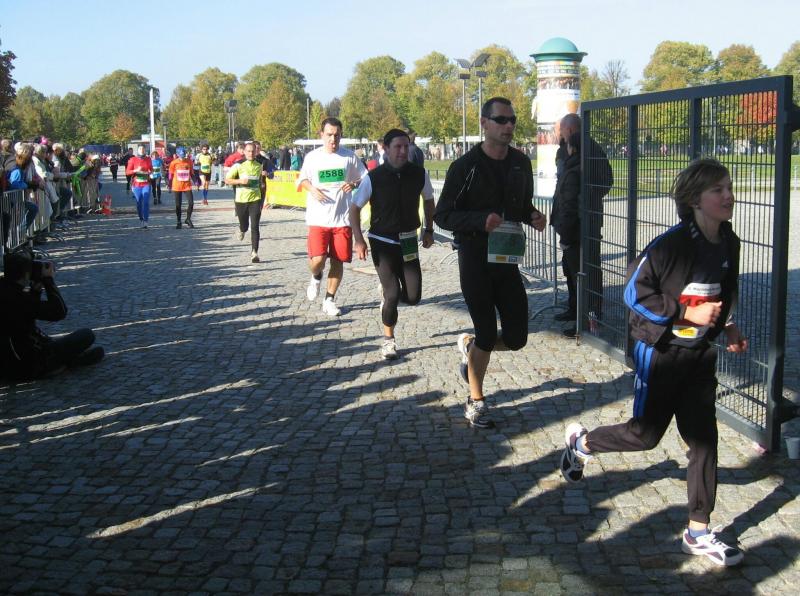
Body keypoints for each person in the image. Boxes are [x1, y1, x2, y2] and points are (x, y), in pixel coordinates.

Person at [560, 158, 747, 567]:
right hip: (660, 353)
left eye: (729, 187)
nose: (728, 196)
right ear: (695, 199)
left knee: (703, 441)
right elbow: (633, 292)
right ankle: (582, 444)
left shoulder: (728, 242)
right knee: (645, 436)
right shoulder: (669, 246)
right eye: (718, 190)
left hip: (700, 356)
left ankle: (698, 531)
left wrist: (728, 326)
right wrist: (684, 312)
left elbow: (724, 290)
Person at [434, 97, 546, 429]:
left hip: (507, 260)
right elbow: (443, 215)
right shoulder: (465, 166)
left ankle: (470, 350)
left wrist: (533, 216)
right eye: (501, 120)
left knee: (516, 337)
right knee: (485, 331)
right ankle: (476, 401)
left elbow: (521, 206)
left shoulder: (520, 163)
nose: (508, 126)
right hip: (475, 258)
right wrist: (479, 221)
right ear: (484, 123)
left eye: (512, 120)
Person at [350, 129, 435, 359]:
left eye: (406, 146)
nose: (403, 151)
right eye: (397, 147)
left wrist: (428, 229)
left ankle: (389, 297)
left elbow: (429, 200)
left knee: (413, 297)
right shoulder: (374, 177)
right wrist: (358, 239)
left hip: (408, 241)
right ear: (386, 149)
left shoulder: (419, 174)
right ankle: (389, 340)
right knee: (392, 294)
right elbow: (354, 209)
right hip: (382, 241)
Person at [550, 113, 613, 337]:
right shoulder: (574, 152)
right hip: (573, 222)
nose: (560, 135)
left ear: (569, 130)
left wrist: (587, 197)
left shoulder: (588, 152)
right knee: (571, 269)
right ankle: (575, 310)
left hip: (583, 223)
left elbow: (605, 182)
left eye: (561, 130)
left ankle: (588, 318)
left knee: (586, 271)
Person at [297, 117, 367, 316]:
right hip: (318, 218)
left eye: (337, 135)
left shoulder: (349, 157)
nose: (333, 139)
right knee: (318, 260)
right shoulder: (313, 157)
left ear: (341, 136)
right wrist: (312, 189)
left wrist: (353, 184)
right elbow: (302, 179)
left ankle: (329, 299)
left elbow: (365, 177)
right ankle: (316, 276)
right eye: (329, 135)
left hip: (342, 219)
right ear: (322, 135)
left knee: (338, 260)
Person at [0, 251, 104, 381]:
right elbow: (59, 311)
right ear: (26, 274)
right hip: (28, 363)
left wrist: (35, 292)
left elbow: (25, 316)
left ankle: (66, 360)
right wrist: (48, 281)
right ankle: (61, 363)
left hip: (8, 361)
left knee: (68, 344)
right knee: (87, 335)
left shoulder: (7, 289)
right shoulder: (19, 297)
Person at [225, 142, 265, 263]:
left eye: (253, 151)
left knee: (255, 226)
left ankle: (254, 252)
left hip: (255, 199)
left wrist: (261, 184)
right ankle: (242, 230)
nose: (251, 153)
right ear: (244, 152)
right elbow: (227, 180)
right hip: (241, 199)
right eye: (248, 151)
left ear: (256, 152)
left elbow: (259, 181)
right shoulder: (238, 165)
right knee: (245, 226)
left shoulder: (259, 165)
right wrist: (240, 181)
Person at [125, 146, 153, 228]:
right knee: (139, 203)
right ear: (138, 150)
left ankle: (146, 220)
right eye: (140, 149)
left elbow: (151, 169)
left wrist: (150, 172)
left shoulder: (148, 159)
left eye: (143, 149)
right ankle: (141, 219)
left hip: (146, 183)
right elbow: (127, 172)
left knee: (146, 202)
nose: (142, 150)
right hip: (137, 184)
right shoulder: (133, 159)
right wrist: (135, 170)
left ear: (145, 150)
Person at [168, 147, 195, 229]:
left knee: (191, 203)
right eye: (181, 155)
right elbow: (170, 174)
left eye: (183, 155)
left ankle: (188, 219)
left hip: (187, 185)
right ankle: (179, 221)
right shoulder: (174, 163)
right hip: (177, 186)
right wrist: (169, 184)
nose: (182, 157)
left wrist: (196, 181)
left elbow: (191, 173)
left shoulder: (189, 161)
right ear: (177, 154)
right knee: (178, 205)